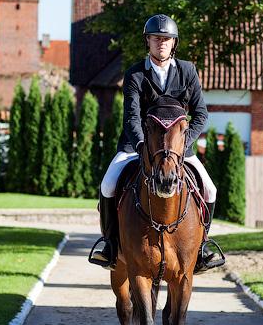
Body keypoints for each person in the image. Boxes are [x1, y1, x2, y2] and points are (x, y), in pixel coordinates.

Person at [89, 14, 224, 273]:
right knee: (108, 185)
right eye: (156, 38)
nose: (161, 43)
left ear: (174, 43)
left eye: (166, 39)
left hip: (179, 150)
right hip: (136, 147)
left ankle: (203, 247)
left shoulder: (188, 71)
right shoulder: (135, 74)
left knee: (210, 190)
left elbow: (201, 114)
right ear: (147, 41)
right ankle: (109, 244)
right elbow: (131, 116)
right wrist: (141, 146)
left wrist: (183, 145)